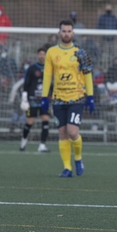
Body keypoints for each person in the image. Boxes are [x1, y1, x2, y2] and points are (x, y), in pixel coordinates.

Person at [42, 20, 94, 177]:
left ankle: (78, 158)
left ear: (73, 33)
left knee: (72, 132)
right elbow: (47, 75)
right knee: (62, 133)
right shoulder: (51, 52)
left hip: (76, 97)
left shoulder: (81, 52)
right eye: (63, 31)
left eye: (69, 31)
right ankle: (67, 168)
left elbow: (87, 74)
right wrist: (44, 97)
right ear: (59, 33)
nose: (66, 34)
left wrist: (90, 96)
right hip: (58, 99)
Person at [19, 46, 50, 153]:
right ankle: (23, 142)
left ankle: (42, 145)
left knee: (46, 120)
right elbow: (26, 83)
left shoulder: (50, 67)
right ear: (38, 55)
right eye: (40, 54)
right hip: (32, 98)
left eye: (44, 54)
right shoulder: (32, 68)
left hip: (44, 99)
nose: (42, 56)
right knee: (30, 122)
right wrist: (24, 97)